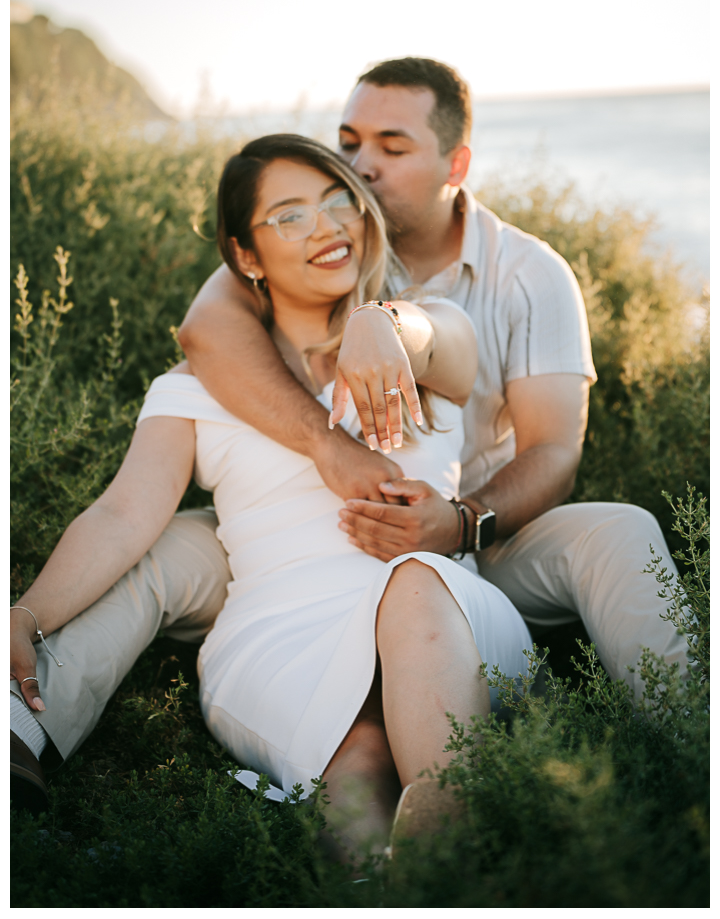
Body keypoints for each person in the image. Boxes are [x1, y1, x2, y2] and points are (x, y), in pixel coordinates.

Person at [11, 136, 532, 858]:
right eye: (288, 217)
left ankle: (446, 865)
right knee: (362, 766)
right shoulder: (189, 391)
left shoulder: (428, 336)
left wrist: (381, 323)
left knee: (413, 583)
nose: (326, 226)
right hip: (279, 638)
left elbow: (440, 337)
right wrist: (26, 614)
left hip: (450, 614)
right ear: (244, 256)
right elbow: (124, 515)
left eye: (337, 200)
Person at [177, 57, 688, 697]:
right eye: (350, 142)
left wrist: (462, 521)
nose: (361, 166)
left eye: (392, 147)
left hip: (494, 539)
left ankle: (689, 742)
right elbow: (206, 329)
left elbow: (554, 449)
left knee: (623, 530)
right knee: (155, 545)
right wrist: (326, 443)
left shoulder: (531, 274)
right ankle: (20, 714)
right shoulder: (329, 242)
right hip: (328, 525)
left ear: (455, 166)